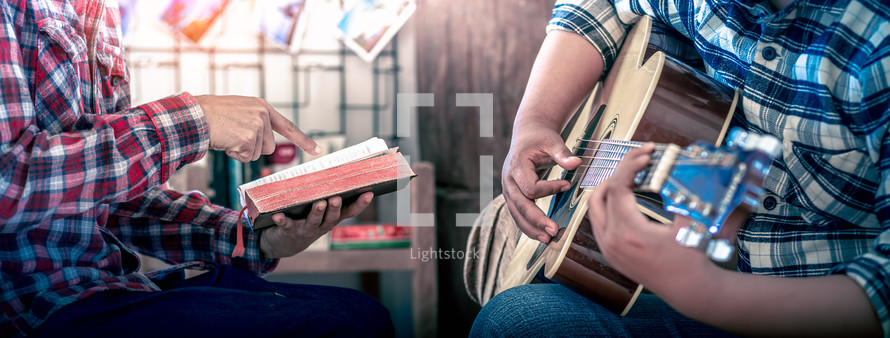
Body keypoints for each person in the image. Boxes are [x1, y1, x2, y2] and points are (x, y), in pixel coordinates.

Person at [467, 0, 888, 336]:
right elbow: (599, 5)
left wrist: (706, 291)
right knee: (515, 311)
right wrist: (535, 122)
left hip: (826, 308)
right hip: (715, 273)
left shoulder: (876, 44)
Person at [0, 1, 393, 337]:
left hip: (107, 289)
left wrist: (254, 239)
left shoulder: (100, 13)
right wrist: (194, 120)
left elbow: (114, 202)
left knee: (364, 315)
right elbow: (8, 181)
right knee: (338, 328)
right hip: (35, 308)